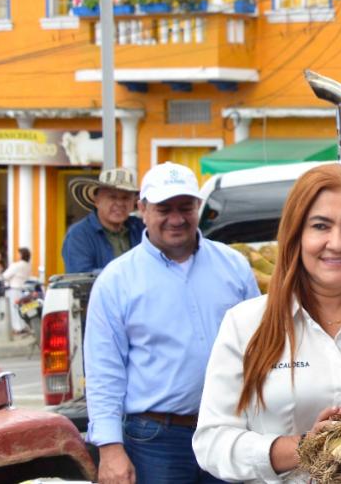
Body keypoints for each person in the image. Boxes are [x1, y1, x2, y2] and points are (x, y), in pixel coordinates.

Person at [194, 164, 341, 483]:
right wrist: (305, 447)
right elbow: (212, 442)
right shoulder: (246, 325)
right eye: (321, 226)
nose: (337, 243)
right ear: (296, 231)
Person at [85, 162, 261, 484]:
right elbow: (104, 371)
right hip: (155, 440)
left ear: (198, 206)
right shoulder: (116, 281)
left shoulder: (233, 267)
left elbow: (260, 348)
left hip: (230, 429)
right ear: (142, 209)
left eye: (185, 207)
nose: (177, 219)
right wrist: (110, 449)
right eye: (164, 208)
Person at [63, 167, 147, 274]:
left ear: (133, 202)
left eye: (125, 198)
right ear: (97, 200)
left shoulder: (141, 228)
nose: (120, 203)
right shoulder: (79, 234)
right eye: (112, 197)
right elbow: (81, 276)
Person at [2, 247, 33, 335]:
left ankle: (17, 327)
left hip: (14, 288)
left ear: (21, 255)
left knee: (14, 309)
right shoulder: (28, 265)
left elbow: (5, 276)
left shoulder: (16, 265)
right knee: (23, 308)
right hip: (23, 289)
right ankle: (23, 326)